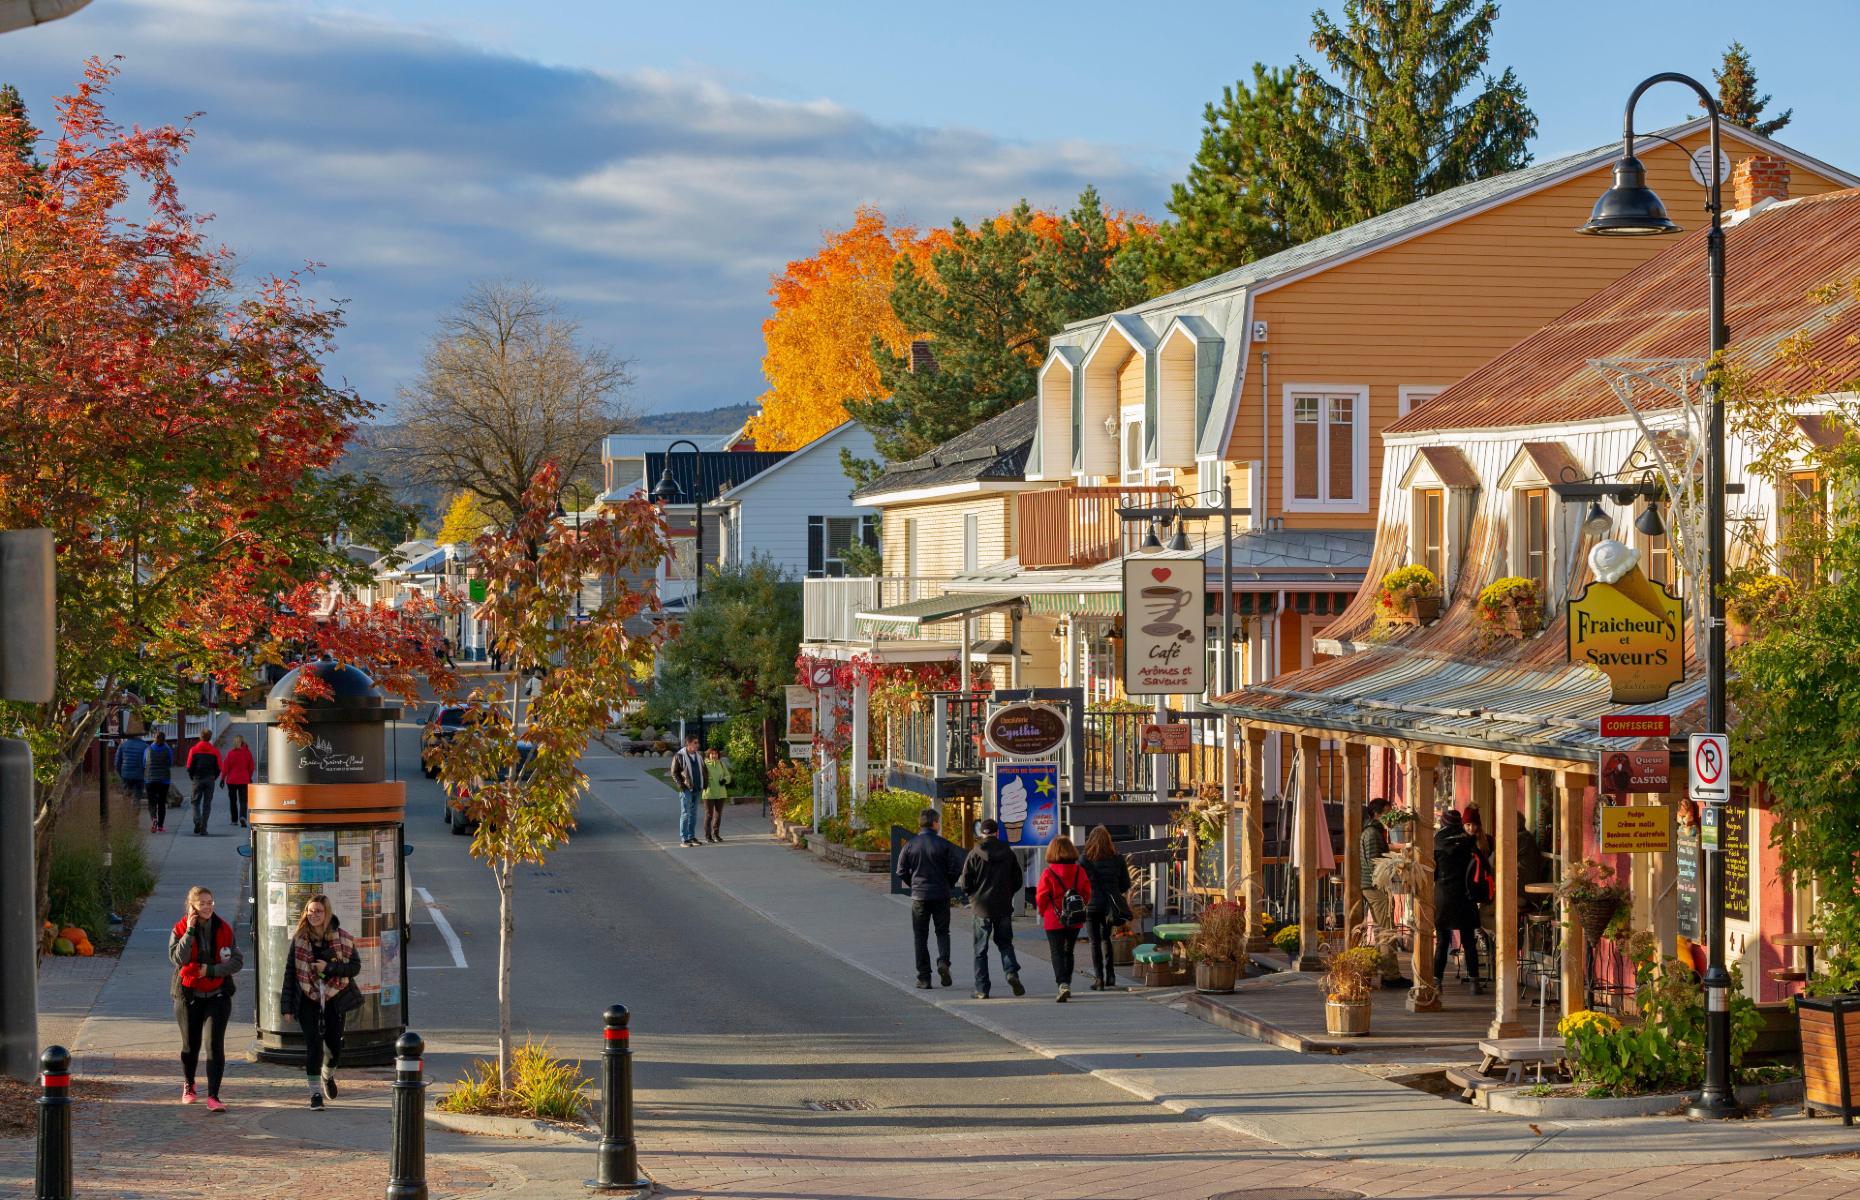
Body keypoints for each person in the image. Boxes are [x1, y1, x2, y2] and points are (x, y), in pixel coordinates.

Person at [280, 894, 361, 1109]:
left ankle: (327, 1075)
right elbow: (290, 973)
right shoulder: (299, 939)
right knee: (313, 1046)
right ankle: (315, 1094)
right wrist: (286, 1007)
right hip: (307, 998)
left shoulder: (343, 938)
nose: (313, 915)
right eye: (310, 910)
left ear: (327, 914)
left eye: (318, 911)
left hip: (336, 998)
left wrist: (329, 968)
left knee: (333, 1048)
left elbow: (354, 968)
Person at [168, 885, 241, 1111]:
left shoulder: (224, 929)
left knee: (214, 1045)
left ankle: (214, 1096)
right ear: (192, 906)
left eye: (210, 902)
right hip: (189, 994)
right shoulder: (180, 928)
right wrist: (190, 931)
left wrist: (209, 971)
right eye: (202, 903)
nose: (207, 907)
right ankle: (189, 1084)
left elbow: (236, 961)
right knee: (191, 1046)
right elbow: (177, 958)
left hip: (217, 994)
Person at [895, 808, 965, 989]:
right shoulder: (944, 845)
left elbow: (900, 870)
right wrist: (947, 883)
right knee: (942, 931)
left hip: (919, 896)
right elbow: (956, 868)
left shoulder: (910, 845)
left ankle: (924, 977)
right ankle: (943, 961)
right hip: (941, 894)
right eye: (939, 821)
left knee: (920, 936)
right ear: (934, 823)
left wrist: (913, 884)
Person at [958, 818, 1025, 999]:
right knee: (1005, 943)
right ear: (997, 833)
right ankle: (1011, 972)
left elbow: (965, 883)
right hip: (1003, 905)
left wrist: (973, 897)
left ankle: (982, 989)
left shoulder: (974, 854)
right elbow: (1018, 879)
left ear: (982, 833)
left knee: (980, 949)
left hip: (981, 907)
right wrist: (1008, 893)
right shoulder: (1008, 853)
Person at [1035, 835, 1092, 1002]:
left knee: (1057, 951)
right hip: (1075, 917)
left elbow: (1042, 896)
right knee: (1069, 951)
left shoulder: (1048, 872)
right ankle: (1067, 982)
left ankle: (1062, 983)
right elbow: (1087, 893)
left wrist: (1042, 911)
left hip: (1054, 918)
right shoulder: (1079, 871)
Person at [1432, 809, 1483, 994]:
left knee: (1442, 940)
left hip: (1444, 895)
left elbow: (1433, 872)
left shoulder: (1437, 843)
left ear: (1444, 823)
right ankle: (1474, 982)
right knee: (1469, 940)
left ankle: (1437, 982)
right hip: (1465, 895)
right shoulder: (1469, 842)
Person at [1359, 799, 1409, 986]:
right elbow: (1375, 863)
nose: (1390, 816)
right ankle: (1391, 975)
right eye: (1387, 812)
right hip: (1375, 886)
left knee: (1384, 929)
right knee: (1387, 929)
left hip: (1375, 885)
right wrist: (1395, 864)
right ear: (1376, 814)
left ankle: (1385, 970)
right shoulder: (1372, 833)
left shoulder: (1374, 832)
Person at [1080, 826, 1131, 992]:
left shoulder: (1085, 860)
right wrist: (1114, 892)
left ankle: (1099, 979)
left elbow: (1080, 884)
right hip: (1109, 906)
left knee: (1094, 942)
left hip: (1092, 905)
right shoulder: (1117, 859)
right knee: (1106, 939)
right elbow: (1125, 884)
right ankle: (1111, 976)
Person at [668, 733, 706, 847]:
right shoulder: (679, 755)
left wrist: (705, 783)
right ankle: (684, 839)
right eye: (695, 743)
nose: (697, 745)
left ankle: (691, 836)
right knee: (685, 814)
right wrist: (682, 786)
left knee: (693, 814)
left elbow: (704, 770)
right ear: (688, 743)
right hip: (687, 789)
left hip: (697, 788)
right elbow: (674, 773)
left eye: (697, 743)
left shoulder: (699, 756)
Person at [185, 735, 222, 836]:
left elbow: (189, 766)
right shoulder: (215, 751)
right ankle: (203, 828)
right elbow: (219, 767)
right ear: (209, 738)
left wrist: (192, 776)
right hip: (210, 779)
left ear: (200, 737)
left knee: (195, 802)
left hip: (197, 778)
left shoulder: (193, 750)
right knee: (207, 804)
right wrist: (215, 776)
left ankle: (197, 821)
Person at [700, 747, 733, 843]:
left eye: (716, 753)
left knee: (718, 815)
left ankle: (716, 834)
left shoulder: (721, 764)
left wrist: (725, 780)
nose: (714, 755)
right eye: (712, 753)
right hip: (709, 794)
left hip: (721, 793)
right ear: (708, 755)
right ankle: (708, 836)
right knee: (709, 815)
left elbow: (728, 776)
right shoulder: (704, 764)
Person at [221, 734, 255, 829]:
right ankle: (243, 816)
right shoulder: (247, 753)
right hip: (244, 780)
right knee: (243, 800)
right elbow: (251, 767)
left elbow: (225, 767)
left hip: (231, 781)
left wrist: (222, 778)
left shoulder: (230, 753)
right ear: (243, 742)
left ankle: (234, 820)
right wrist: (249, 776)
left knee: (233, 800)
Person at [144, 731, 174, 833]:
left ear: (154, 738)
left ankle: (154, 818)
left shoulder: (147, 749)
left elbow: (144, 764)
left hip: (150, 779)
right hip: (164, 780)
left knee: (152, 802)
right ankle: (160, 826)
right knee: (162, 802)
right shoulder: (168, 750)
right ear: (164, 739)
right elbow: (170, 763)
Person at [115, 730, 149, 811]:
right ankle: (135, 814)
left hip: (126, 775)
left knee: (126, 796)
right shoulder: (145, 746)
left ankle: (126, 816)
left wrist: (121, 774)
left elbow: (117, 763)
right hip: (139, 776)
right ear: (140, 735)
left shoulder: (122, 745)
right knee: (137, 797)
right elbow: (148, 763)